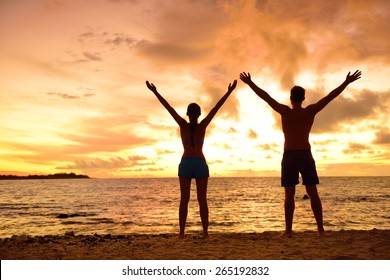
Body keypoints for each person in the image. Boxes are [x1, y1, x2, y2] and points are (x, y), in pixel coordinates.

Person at [239, 70, 362, 237]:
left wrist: (250, 83)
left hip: (290, 155)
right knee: (312, 193)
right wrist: (346, 82)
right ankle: (320, 230)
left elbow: (266, 97)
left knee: (289, 195)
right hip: (304, 154)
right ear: (303, 98)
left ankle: (289, 231)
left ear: (290, 98)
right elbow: (330, 97)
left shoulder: (285, 111)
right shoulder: (309, 111)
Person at [146, 79, 237, 238]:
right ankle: (205, 233)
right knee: (203, 201)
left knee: (184, 200)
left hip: (186, 163)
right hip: (200, 163)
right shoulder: (202, 126)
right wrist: (229, 92)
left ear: (187, 114)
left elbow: (168, 108)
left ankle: (181, 233)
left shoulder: (183, 124)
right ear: (199, 114)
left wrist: (155, 91)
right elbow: (216, 108)